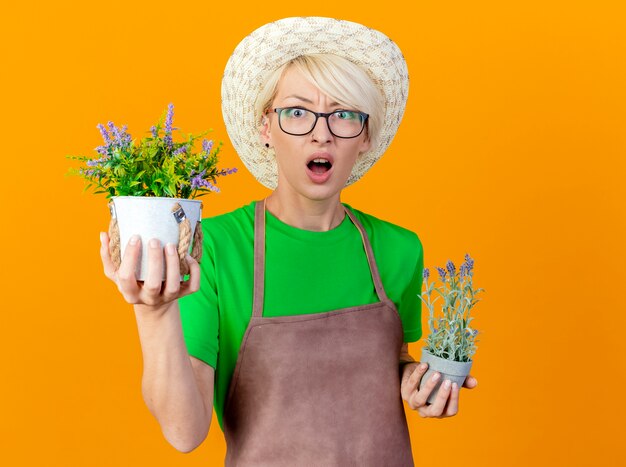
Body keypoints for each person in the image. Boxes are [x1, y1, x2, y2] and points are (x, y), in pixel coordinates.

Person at [99, 16, 478, 465]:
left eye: (344, 115)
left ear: (366, 136)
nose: (322, 133)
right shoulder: (216, 247)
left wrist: (419, 382)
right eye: (297, 112)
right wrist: (154, 313)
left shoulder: (400, 249)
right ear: (266, 128)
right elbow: (185, 432)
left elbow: (392, 359)